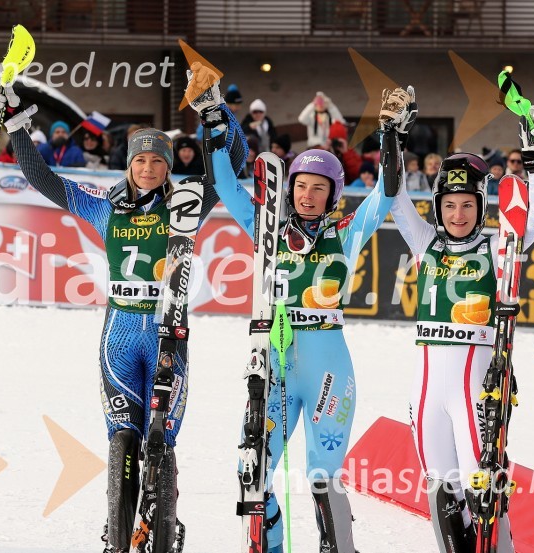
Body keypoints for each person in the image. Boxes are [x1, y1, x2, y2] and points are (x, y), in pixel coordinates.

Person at [0, 84, 234, 553]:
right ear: (129, 164)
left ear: (168, 168)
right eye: (140, 161)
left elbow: (229, 170)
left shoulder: (186, 205)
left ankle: (164, 523)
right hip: (119, 336)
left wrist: (217, 114)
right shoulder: (104, 207)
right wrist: (18, 123)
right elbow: (45, 180)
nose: (147, 168)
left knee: (159, 440)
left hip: (167, 336)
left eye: (157, 162)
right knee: (123, 436)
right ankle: (117, 530)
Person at [188, 63, 400, 553]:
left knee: (322, 479)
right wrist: (215, 122)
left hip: (327, 367)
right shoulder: (267, 228)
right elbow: (225, 185)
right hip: (275, 365)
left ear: (332, 195)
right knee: (252, 470)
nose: (307, 195)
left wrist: (390, 136)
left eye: (318, 188)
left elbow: (386, 193)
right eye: (300, 185)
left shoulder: (345, 233)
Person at [387, 87, 534, 553]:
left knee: (485, 495)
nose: (457, 214)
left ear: (482, 206)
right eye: (449, 204)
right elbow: (395, 197)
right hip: (427, 392)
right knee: (441, 495)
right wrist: (394, 138)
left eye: (467, 204)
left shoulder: (498, 248)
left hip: (477, 390)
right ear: (437, 206)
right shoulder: (426, 243)